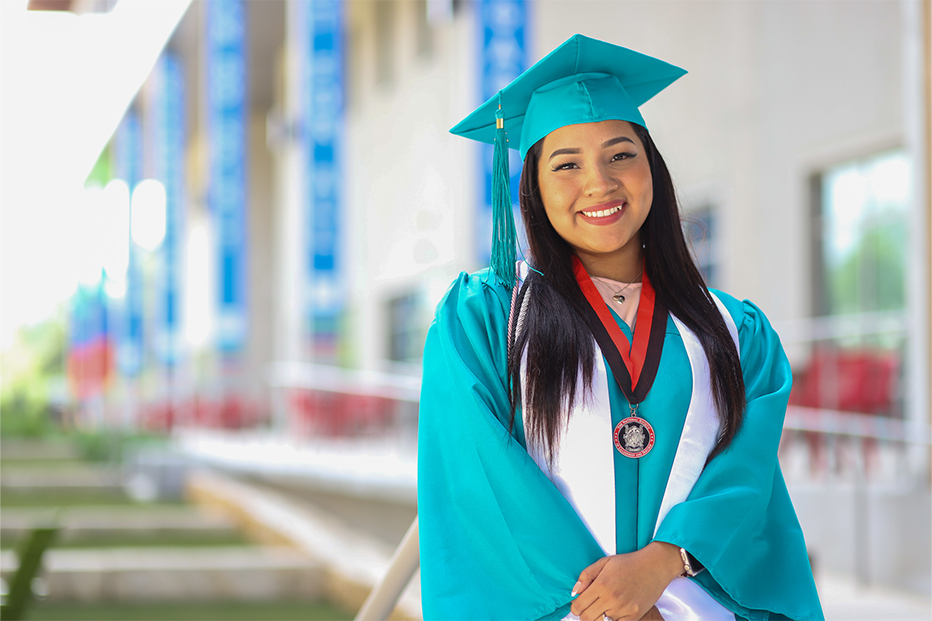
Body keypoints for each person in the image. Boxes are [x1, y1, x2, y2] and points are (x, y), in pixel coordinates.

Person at [417, 34, 823, 621]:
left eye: (620, 154)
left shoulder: (733, 330)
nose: (599, 183)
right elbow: (480, 485)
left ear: (651, 167)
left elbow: (746, 473)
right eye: (567, 164)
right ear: (532, 186)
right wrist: (612, 605)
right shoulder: (487, 320)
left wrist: (662, 564)